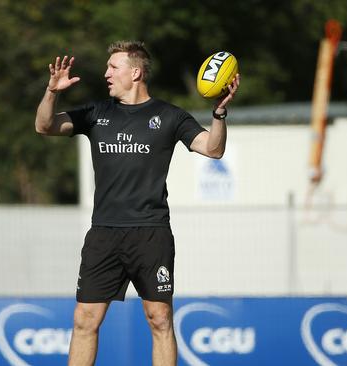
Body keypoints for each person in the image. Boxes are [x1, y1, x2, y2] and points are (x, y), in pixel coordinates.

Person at [34, 41, 240, 365]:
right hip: (104, 233)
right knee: (84, 320)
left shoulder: (169, 116)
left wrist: (219, 112)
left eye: (113, 67)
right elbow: (44, 125)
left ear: (136, 72)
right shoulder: (95, 113)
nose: (106, 74)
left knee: (159, 319)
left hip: (151, 233)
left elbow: (213, 149)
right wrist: (51, 92)